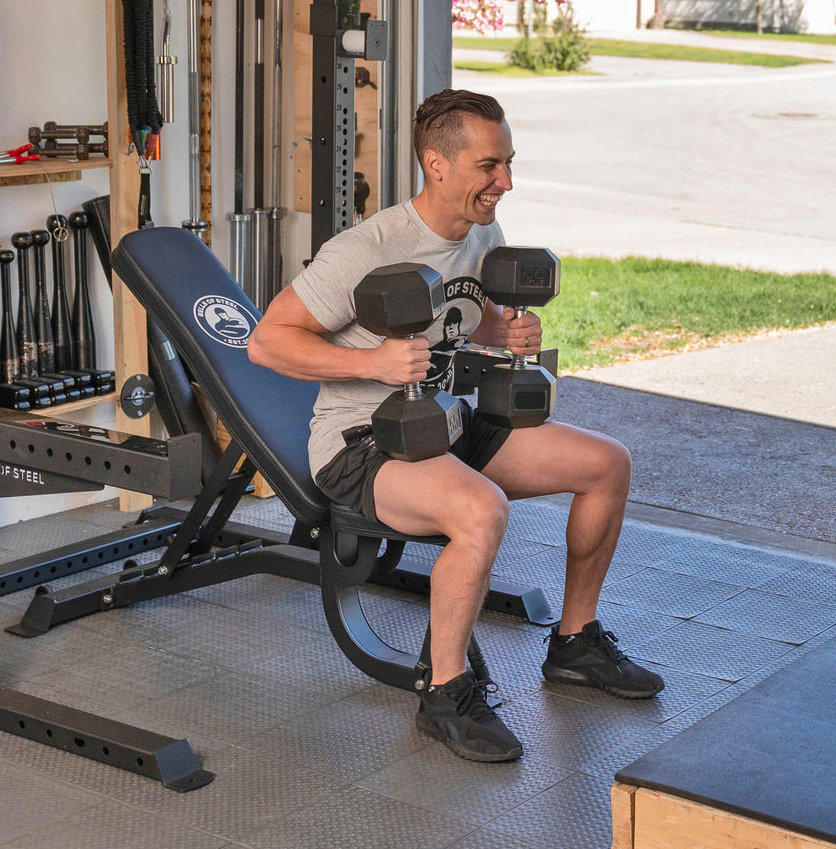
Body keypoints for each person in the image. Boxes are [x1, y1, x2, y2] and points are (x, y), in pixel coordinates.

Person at [247, 88, 663, 763]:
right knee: (481, 510)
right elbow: (267, 342)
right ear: (437, 165)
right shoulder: (365, 248)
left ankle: (576, 643)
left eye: (508, 164)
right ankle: (445, 692)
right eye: (489, 167)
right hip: (363, 444)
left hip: (443, 422)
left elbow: (459, 320)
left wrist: (504, 329)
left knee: (606, 464)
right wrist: (376, 362)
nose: (505, 182)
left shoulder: (479, 234)